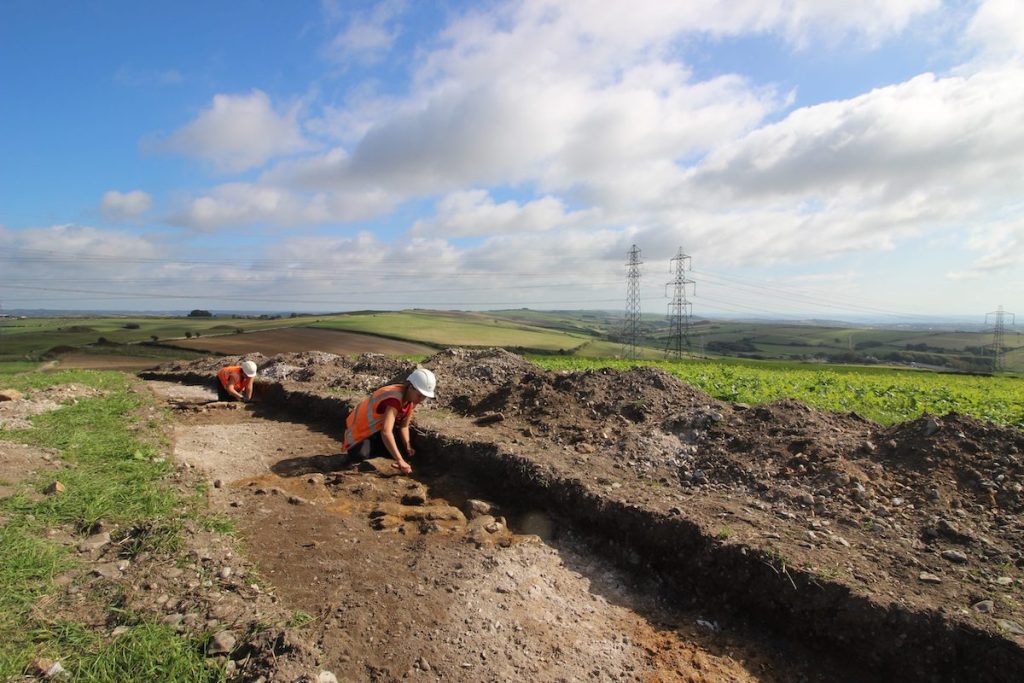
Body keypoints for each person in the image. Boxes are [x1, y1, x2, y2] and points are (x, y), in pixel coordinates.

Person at [343, 368, 436, 475]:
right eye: (419, 395)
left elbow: (403, 426)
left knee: (405, 452)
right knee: (361, 455)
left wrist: (407, 445)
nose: (421, 399)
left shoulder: (411, 400)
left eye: (424, 397)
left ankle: (385, 454)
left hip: (375, 431)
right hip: (359, 433)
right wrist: (399, 460)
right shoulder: (394, 399)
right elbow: (386, 432)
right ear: (411, 387)